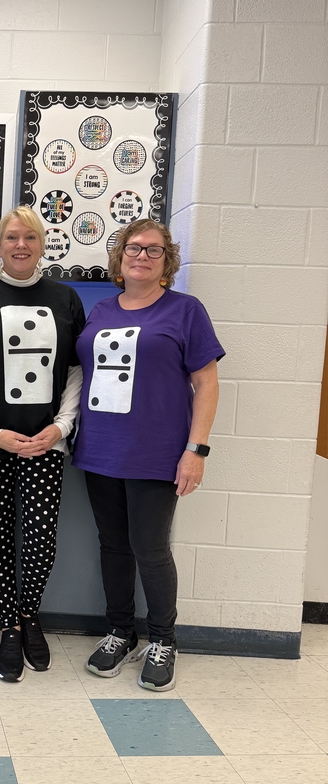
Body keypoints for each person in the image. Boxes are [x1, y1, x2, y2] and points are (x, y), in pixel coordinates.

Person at [73, 218, 224, 692]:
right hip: (98, 449)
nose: (142, 255)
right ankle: (120, 631)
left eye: (154, 250)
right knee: (112, 545)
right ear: (119, 258)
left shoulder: (185, 310)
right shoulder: (98, 311)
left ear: (167, 260)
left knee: (151, 548)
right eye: (133, 248)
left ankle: (163, 640)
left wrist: (195, 450)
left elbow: (206, 383)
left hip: (156, 452)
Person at [0, 206, 85, 682]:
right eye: (11, 237)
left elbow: (74, 371)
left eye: (29, 236)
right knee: (0, 531)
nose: (20, 244)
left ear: (42, 243)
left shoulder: (66, 299)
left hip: (46, 443)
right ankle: (9, 622)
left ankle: (30, 616)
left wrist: (61, 428)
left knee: (42, 537)